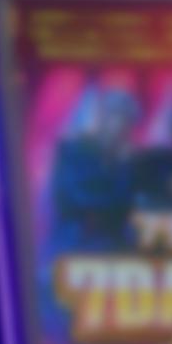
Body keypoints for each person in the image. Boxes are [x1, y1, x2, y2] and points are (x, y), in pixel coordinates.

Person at [46, 87, 140, 254]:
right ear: (102, 118)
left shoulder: (128, 163)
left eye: (126, 121)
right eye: (114, 116)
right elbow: (76, 198)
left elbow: (130, 205)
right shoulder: (74, 151)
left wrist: (123, 169)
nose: (119, 125)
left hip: (114, 248)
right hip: (73, 244)